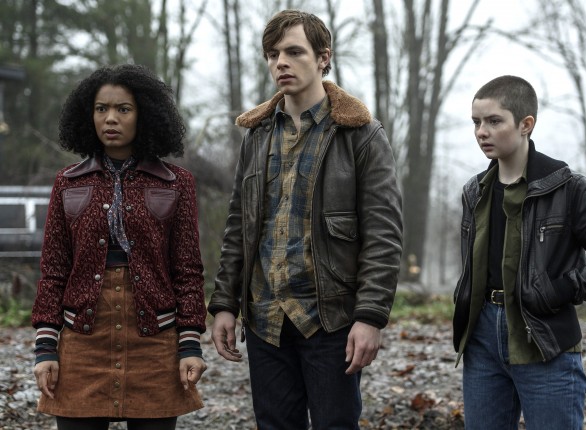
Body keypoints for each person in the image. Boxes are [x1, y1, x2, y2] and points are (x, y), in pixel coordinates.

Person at [207, 9, 403, 430]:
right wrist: (224, 303)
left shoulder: (361, 134)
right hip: (265, 318)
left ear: (322, 57)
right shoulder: (257, 135)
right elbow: (239, 226)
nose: (281, 62)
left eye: (294, 52)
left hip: (329, 319)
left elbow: (383, 236)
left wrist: (370, 316)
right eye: (273, 54)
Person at [452, 75, 586, 429]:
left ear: (526, 124)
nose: (481, 132)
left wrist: (560, 290)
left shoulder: (566, 187)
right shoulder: (474, 191)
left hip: (543, 337)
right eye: (476, 122)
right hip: (482, 341)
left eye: (494, 121)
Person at [32, 64, 208, 430]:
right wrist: (45, 348)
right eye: (101, 108)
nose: (110, 118)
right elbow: (53, 270)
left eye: (123, 109)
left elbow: (188, 270)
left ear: (145, 114)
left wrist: (190, 344)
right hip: (82, 341)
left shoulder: (176, 183)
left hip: (155, 342)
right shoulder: (67, 182)